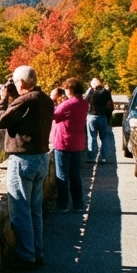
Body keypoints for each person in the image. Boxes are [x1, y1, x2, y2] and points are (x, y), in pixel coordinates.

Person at [0, 65, 54, 268]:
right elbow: (25, 118)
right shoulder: (45, 100)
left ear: (20, 83)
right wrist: (14, 98)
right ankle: (37, 252)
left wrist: (3, 99)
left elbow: (0, 121)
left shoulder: (26, 100)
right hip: (41, 158)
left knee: (20, 210)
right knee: (34, 210)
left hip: (23, 160)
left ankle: (26, 256)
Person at [52, 77, 89, 213]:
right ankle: (78, 204)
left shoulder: (68, 104)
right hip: (77, 143)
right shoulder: (84, 103)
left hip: (63, 142)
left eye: (67, 89)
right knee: (75, 175)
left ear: (70, 90)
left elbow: (54, 114)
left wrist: (53, 99)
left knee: (62, 175)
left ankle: (63, 205)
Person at [84, 78, 116, 163]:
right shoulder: (105, 93)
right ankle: (104, 157)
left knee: (92, 137)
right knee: (104, 138)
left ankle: (92, 157)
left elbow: (85, 100)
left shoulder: (91, 93)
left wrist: (90, 88)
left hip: (91, 116)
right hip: (102, 117)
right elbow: (110, 105)